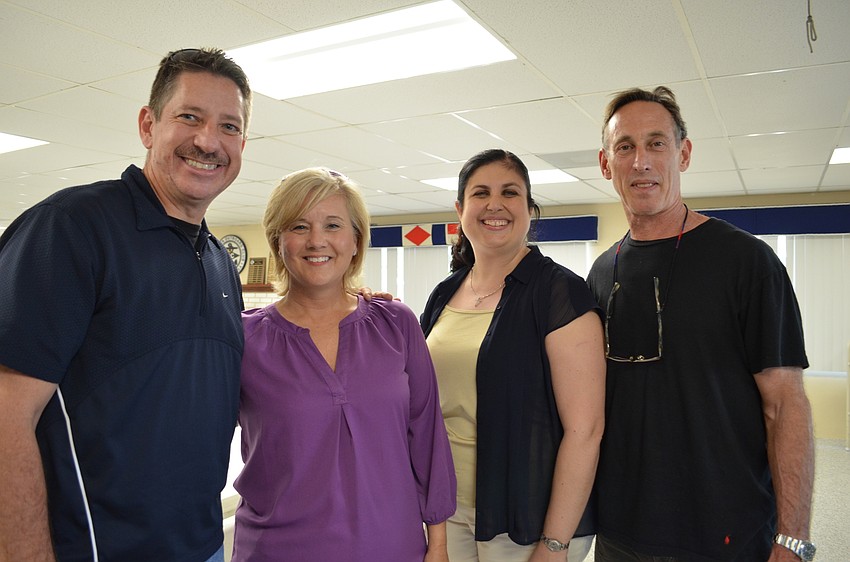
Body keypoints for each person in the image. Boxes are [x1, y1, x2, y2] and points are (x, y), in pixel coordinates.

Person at [0, 48, 252, 561]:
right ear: (147, 124)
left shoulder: (219, 263)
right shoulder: (71, 228)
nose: (209, 140)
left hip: (204, 547)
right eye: (189, 117)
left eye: (229, 126)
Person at [588, 86, 815, 561]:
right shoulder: (602, 271)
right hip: (620, 533)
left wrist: (792, 539)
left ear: (683, 154)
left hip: (726, 533)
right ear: (606, 164)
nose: (641, 161)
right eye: (625, 146)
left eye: (656, 143)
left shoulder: (747, 261)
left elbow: (785, 405)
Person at [232, 167, 456, 561]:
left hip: (392, 547)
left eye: (333, 225)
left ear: (356, 241)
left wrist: (437, 544)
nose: (317, 240)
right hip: (278, 550)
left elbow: (428, 438)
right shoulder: (244, 340)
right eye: (299, 226)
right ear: (278, 241)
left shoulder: (395, 323)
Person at [420, 149, 606, 562]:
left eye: (510, 192)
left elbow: (585, 430)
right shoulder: (444, 294)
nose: (494, 204)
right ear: (460, 210)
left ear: (528, 209)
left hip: (527, 519)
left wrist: (554, 544)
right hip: (445, 511)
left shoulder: (558, 293)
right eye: (480, 193)